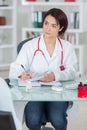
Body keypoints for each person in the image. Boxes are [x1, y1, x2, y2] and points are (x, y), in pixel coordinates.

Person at [9, 8, 77, 130]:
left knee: (58, 119)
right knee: (32, 120)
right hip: (34, 93)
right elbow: (15, 67)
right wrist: (21, 74)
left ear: (60, 28)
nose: (47, 28)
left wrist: (55, 76)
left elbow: (72, 71)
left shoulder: (67, 47)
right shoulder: (30, 46)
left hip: (58, 92)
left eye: (53, 26)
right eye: (46, 23)